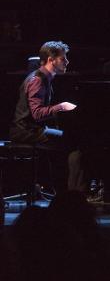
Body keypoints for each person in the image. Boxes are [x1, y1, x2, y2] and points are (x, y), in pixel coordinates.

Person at [9, 41, 84, 192]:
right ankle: (74, 194)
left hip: (31, 129)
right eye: (63, 58)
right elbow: (37, 114)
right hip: (25, 131)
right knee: (76, 146)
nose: (67, 62)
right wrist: (62, 106)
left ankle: (66, 191)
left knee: (70, 139)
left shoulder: (44, 78)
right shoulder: (37, 80)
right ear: (51, 60)